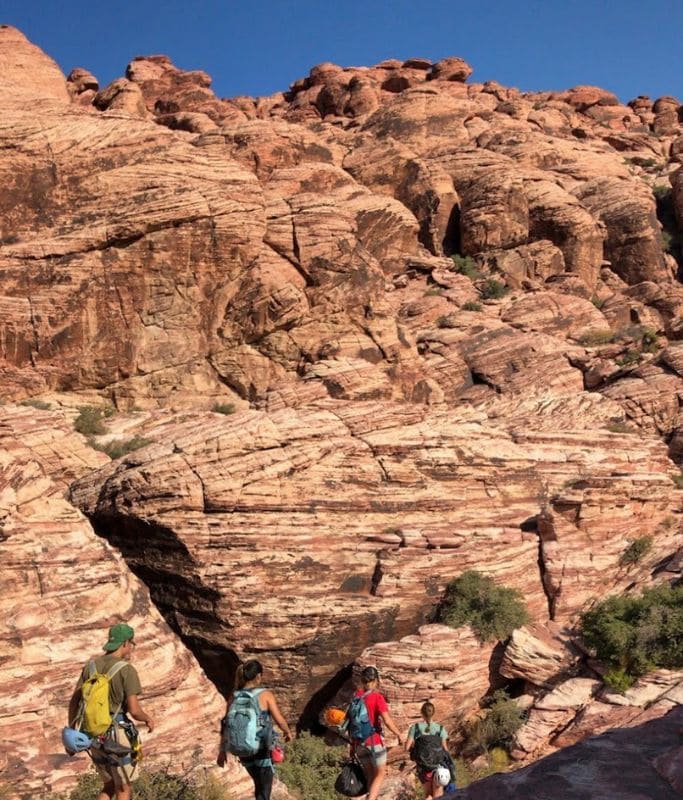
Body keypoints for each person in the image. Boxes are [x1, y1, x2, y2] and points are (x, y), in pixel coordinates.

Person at [67, 623, 154, 800]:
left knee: (108, 785)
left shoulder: (91, 667)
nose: (131, 648)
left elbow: (75, 701)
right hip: (117, 736)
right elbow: (134, 710)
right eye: (131, 644)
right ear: (124, 644)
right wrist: (147, 719)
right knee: (123, 787)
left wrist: (72, 732)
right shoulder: (126, 670)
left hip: (92, 734)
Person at [217, 660, 293, 800]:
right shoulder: (265, 695)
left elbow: (226, 724)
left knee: (258, 785)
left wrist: (222, 751)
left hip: (241, 748)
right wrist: (287, 732)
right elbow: (279, 719)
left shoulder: (234, 696)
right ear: (258, 676)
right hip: (261, 748)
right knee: (264, 790)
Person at [348, 666, 403, 800]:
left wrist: (352, 745)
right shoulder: (377, 698)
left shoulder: (357, 696)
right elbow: (387, 720)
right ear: (376, 681)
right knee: (380, 773)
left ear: (362, 680)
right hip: (374, 741)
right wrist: (399, 734)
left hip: (359, 743)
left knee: (370, 775)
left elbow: (351, 721)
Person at [405, 702, 450, 800]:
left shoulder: (415, 728)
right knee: (438, 794)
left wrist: (415, 746)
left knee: (428, 795)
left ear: (421, 712)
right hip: (438, 766)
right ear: (433, 713)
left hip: (423, 767)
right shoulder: (440, 729)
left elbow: (407, 747)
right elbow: (445, 749)